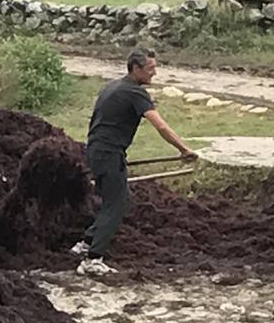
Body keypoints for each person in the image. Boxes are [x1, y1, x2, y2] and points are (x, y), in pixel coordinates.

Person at [72, 48, 198, 276]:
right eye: (150, 69)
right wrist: (184, 149)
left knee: (110, 201)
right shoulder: (135, 93)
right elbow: (160, 125)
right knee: (117, 204)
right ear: (136, 68)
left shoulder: (112, 86)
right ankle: (92, 259)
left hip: (94, 150)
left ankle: (86, 243)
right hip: (109, 153)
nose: (154, 73)